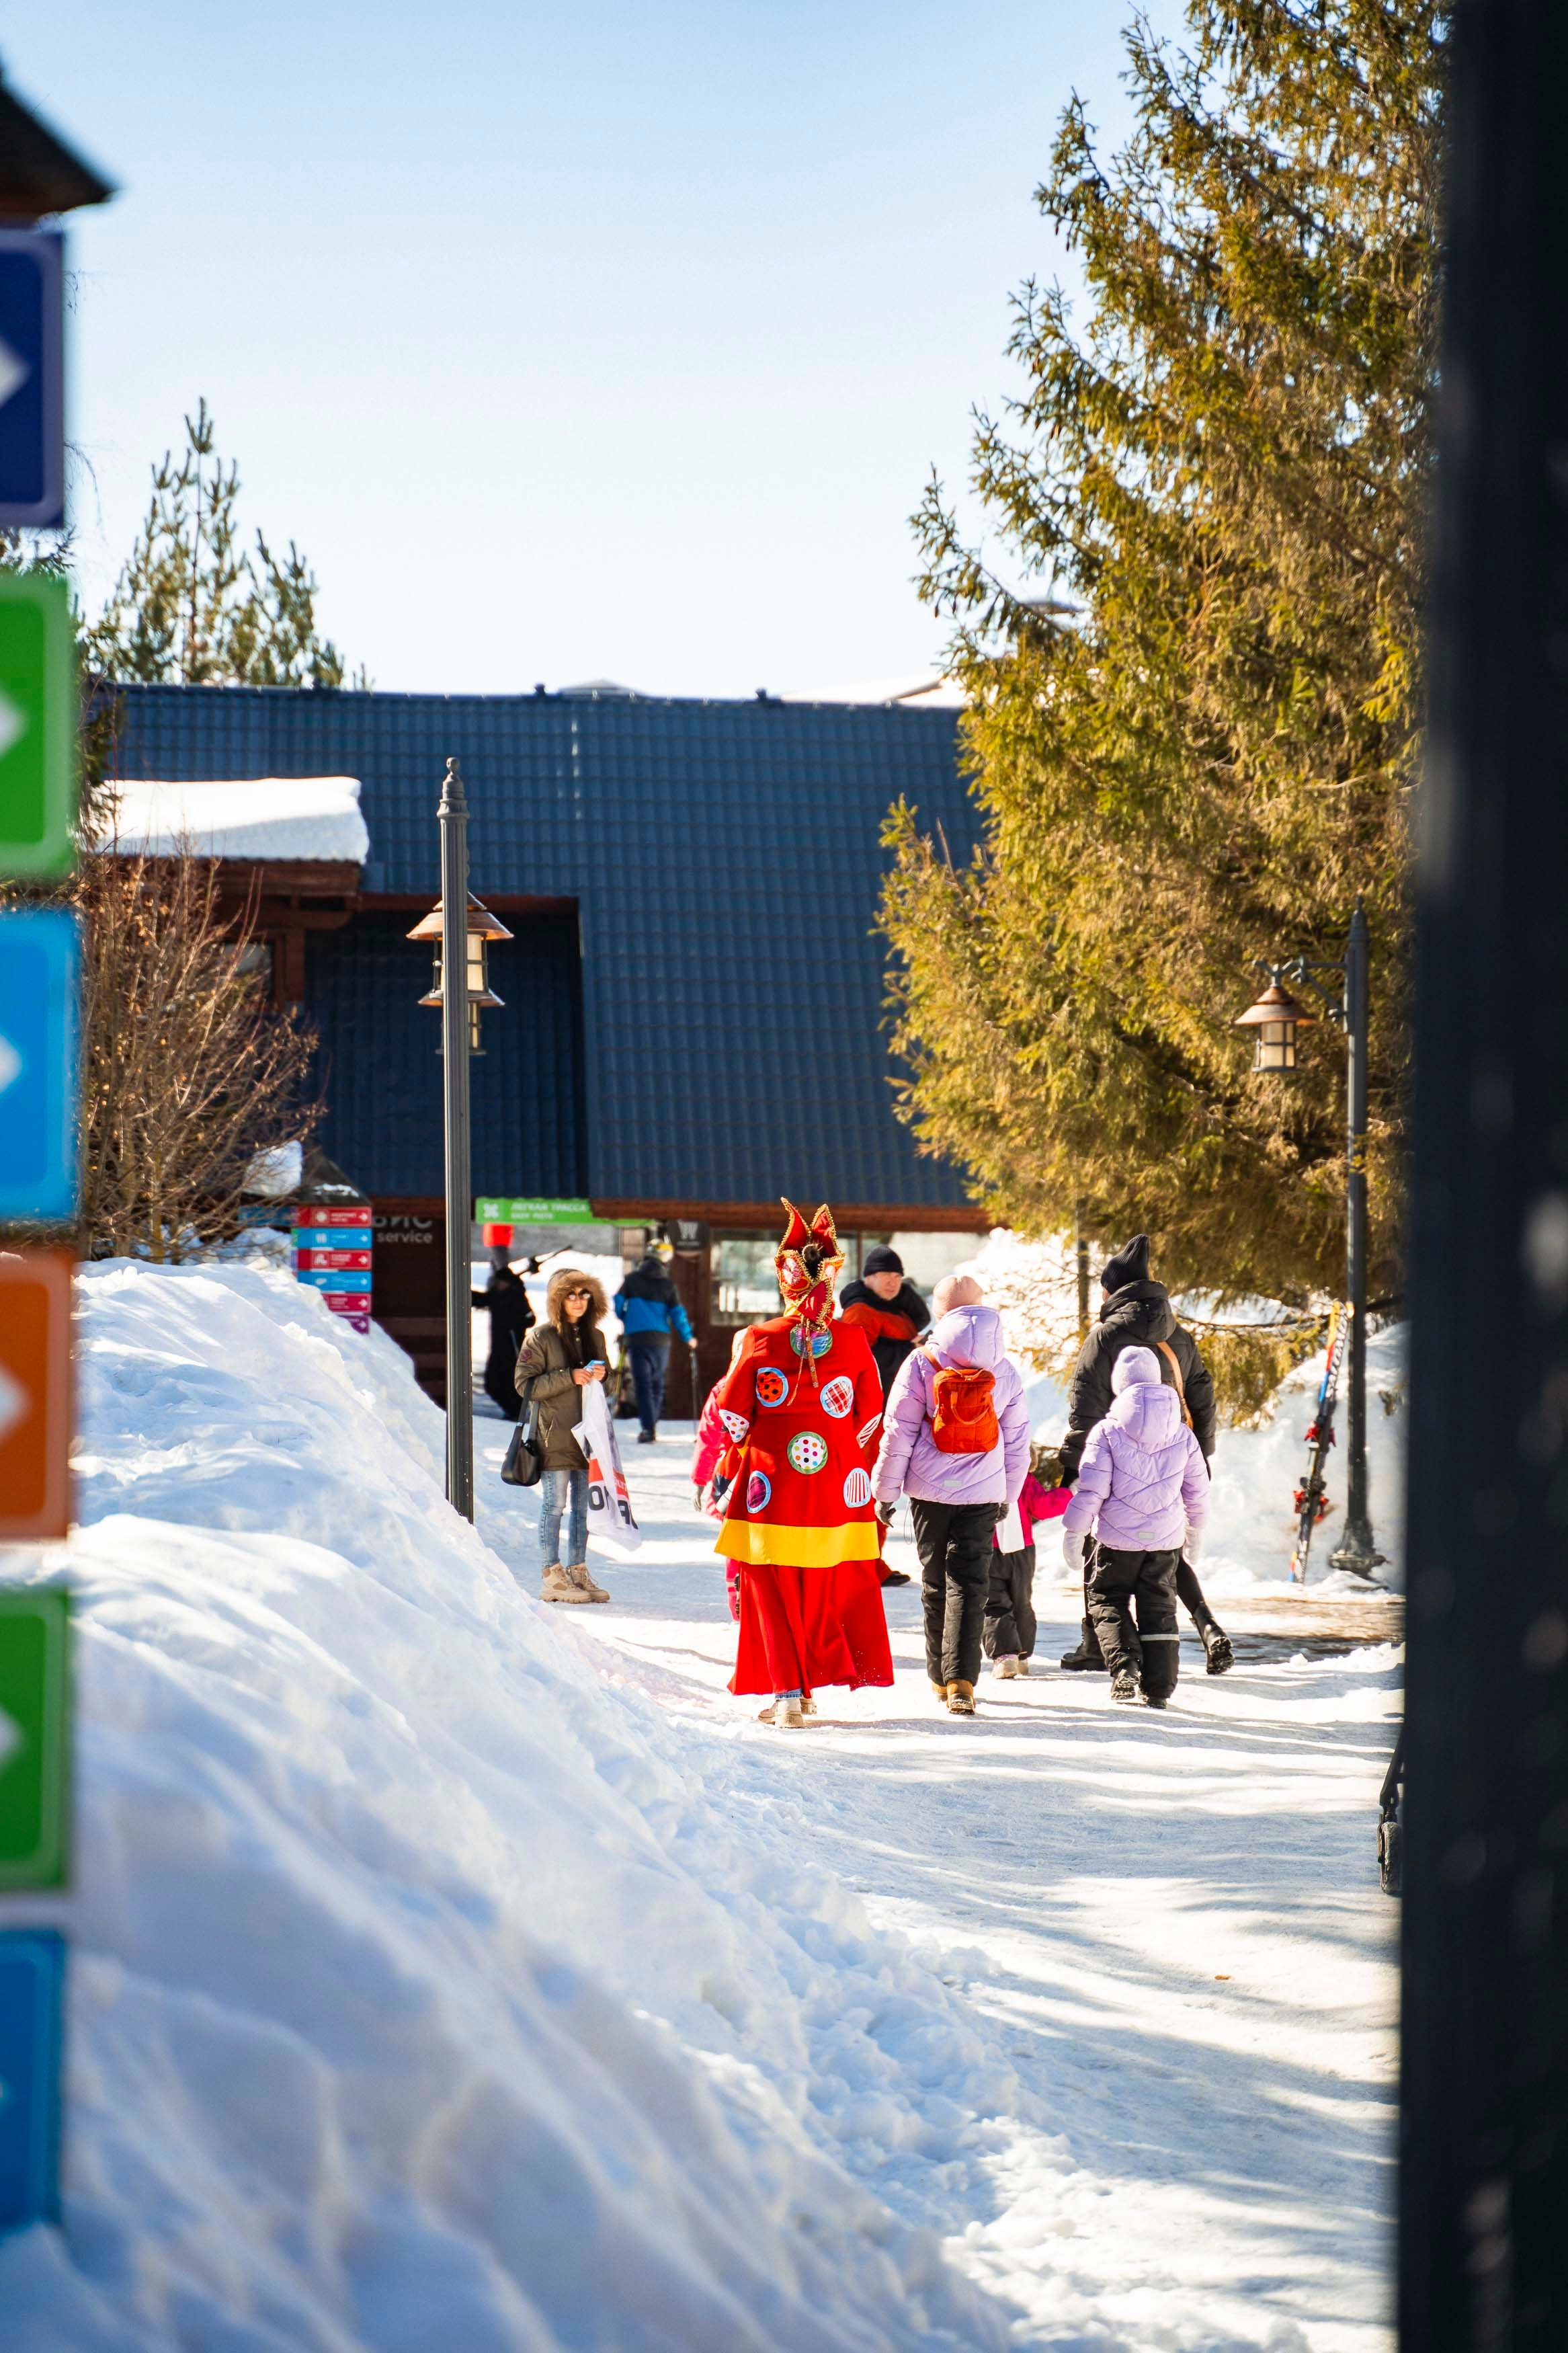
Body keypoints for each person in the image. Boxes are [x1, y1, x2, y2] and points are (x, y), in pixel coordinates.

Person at [710, 1201, 894, 1727]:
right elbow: (868, 1416)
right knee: (821, 1583)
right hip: (835, 1482)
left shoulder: (759, 1338)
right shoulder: (853, 1338)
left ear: (785, 1285)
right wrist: (837, 1450)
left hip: (770, 1479)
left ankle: (788, 1692)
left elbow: (733, 1414)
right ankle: (806, 1689)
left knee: (769, 1583)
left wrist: (758, 1445)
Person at [1058, 1234, 1234, 1677]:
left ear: (1113, 1290)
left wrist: (1074, 1463)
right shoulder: (1178, 1333)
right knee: (1164, 1549)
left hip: (1114, 1454)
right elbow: (1202, 1394)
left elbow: (1085, 1400)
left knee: (1103, 1552)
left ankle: (1097, 1646)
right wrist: (1202, 1451)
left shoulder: (1105, 1335)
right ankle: (1207, 1624)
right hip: (1177, 1450)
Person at [872, 1295, 1030, 1715]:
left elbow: (898, 1434)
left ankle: (938, 1678)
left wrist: (886, 1493)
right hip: (982, 1492)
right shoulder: (1005, 1371)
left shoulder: (921, 1364)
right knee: (970, 1583)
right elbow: (1017, 1443)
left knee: (935, 1579)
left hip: (929, 1491)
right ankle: (962, 1681)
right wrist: (1008, 1495)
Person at [1059, 1345, 1210, 1708]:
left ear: (1118, 1386)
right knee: (1159, 1606)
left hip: (1115, 1541)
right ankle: (1159, 1688)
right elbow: (1198, 1491)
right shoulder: (1183, 1434)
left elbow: (1092, 1490)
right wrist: (1196, 1532)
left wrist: (1074, 1532)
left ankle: (1124, 1665)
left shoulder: (1106, 1432)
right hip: (1164, 1540)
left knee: (1106, 1600)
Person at [514, 1270, 613, 1605]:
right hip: (554, 1434)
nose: (578, 1301)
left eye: (584, 1294)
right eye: (571, 1294)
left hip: (590, 1437)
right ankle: (551, 1574)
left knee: (585, 1509)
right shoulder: (540, 1337)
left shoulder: (596, 1337)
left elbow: (611, 1385)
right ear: (558, 1299)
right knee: (555, 1505)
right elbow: (525, 1386)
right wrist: (568, 1377)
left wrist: (603, 1377)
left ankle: (577, 1569)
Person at [837, 1246, 931, 1591]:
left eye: (897, 1276)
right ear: (868, 1278)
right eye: (885, 1276)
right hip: (870, 1416)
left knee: (882, 1488)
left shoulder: (895, 1307)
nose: (893, 1282)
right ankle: (862, 1563)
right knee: (870, 1488)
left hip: (893, 1411)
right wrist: (913, 1350)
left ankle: (869, 1561)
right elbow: (859, 1361)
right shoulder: (861, 1311)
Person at [984, 1452, 1070, 1678]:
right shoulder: (1022, 1478)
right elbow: (1041, 1507)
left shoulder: (981, 1475)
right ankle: (1021, 1654)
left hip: (988, 1547)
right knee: (1021, 1600)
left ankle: (1005, 1656)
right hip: (1022, 1548)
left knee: (995, 1602)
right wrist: (1068, 1495)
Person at [614, 1240, 695, 1443]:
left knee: (643, 1385)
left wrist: (627, 1320)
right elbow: (678, 1315)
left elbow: (617, 1303)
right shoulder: (668, 1286)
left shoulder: (631, 1280)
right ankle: (653, 1423)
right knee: (657, 1383)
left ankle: (648, 1428)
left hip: (637, 1338)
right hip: (661, 1341)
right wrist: (688, 1338)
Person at [471, 1249, 536, 1420]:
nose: (496, 1285)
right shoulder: (498, 1296)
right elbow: (480, 1299)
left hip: (513, 1349)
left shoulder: (516, 1297)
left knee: (507, 1383)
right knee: (493, 1384)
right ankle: (514, 1411)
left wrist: (514, 1325)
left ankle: (516, 1412)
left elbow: (530, 1319)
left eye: (498, 1282)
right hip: (499, 1347)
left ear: (505, 1283)